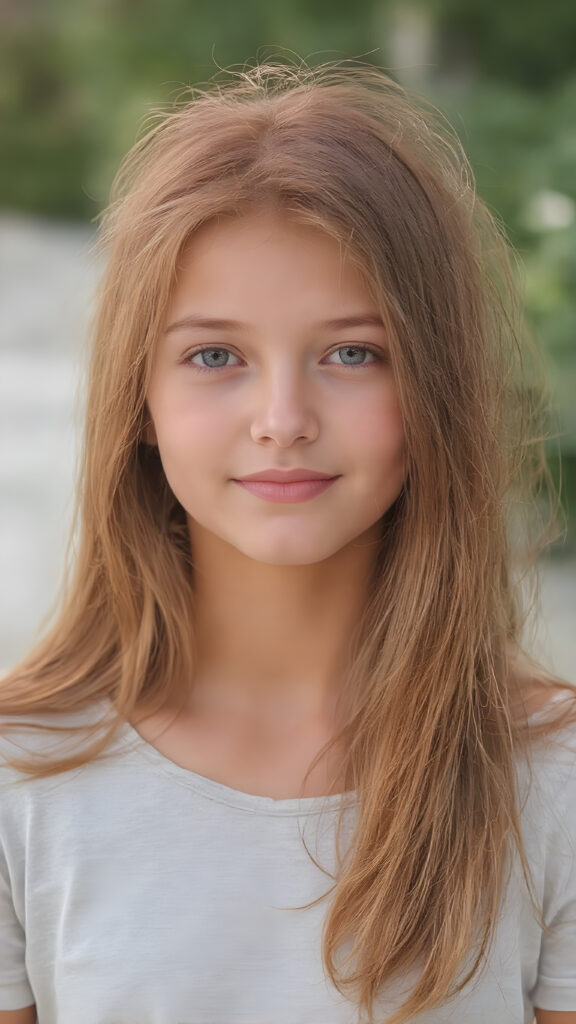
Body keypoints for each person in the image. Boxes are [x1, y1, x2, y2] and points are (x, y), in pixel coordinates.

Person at [0, 58, 575, 1024]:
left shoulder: (551, 780)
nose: (282, 418)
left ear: (432, 389)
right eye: (214, 356)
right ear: (139, 402)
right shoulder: (24, 776)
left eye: (353, 353)